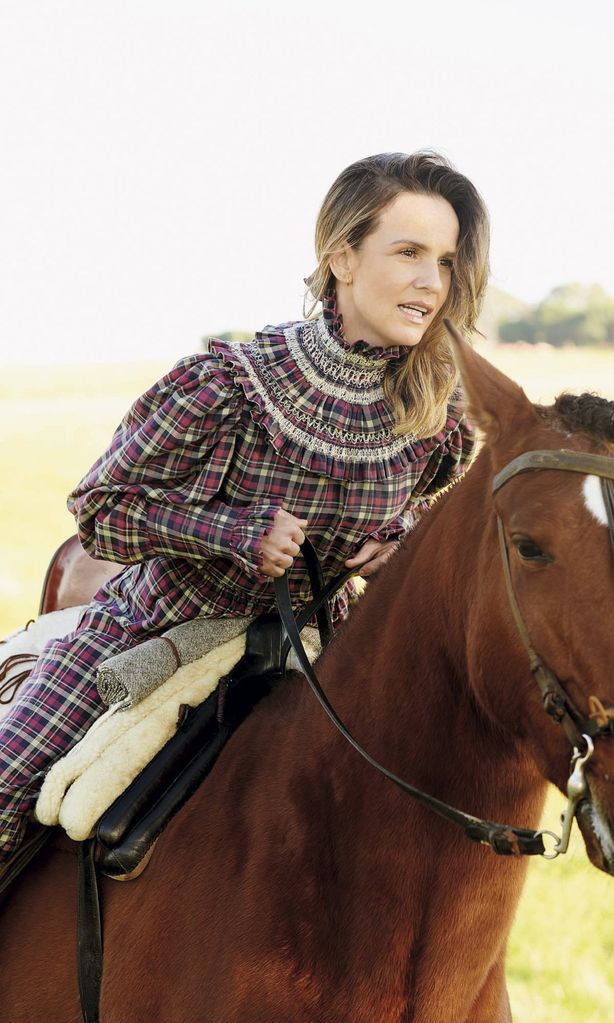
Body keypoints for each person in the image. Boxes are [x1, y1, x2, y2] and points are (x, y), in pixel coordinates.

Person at [0, 150, 490, 869]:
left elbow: (416, 520)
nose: (430, 281)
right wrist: (233, 532)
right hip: (154, 628)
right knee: (6, 784)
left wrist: (398, 550)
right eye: (409, 251)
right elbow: (101, 509)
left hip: (328, 654)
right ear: (342, 258)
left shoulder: (437, 420)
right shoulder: (225, 383)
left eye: (446, 261)